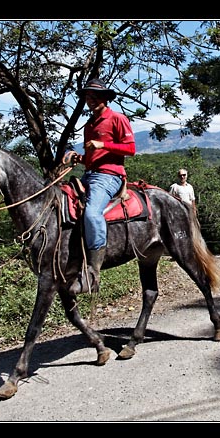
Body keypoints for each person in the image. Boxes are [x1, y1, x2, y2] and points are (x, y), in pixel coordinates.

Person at [63, 78, 136, 293]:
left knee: (93, 213)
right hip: (89, 174)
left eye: (95, 96)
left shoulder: (117, 118)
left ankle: (94, 270)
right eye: (88, 96)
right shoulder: (89, 124)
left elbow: (131, 149)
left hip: (110, 176)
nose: (91, 100)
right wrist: (80, 158)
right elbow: (94, 158)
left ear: (105, 98)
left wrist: (102, 143)